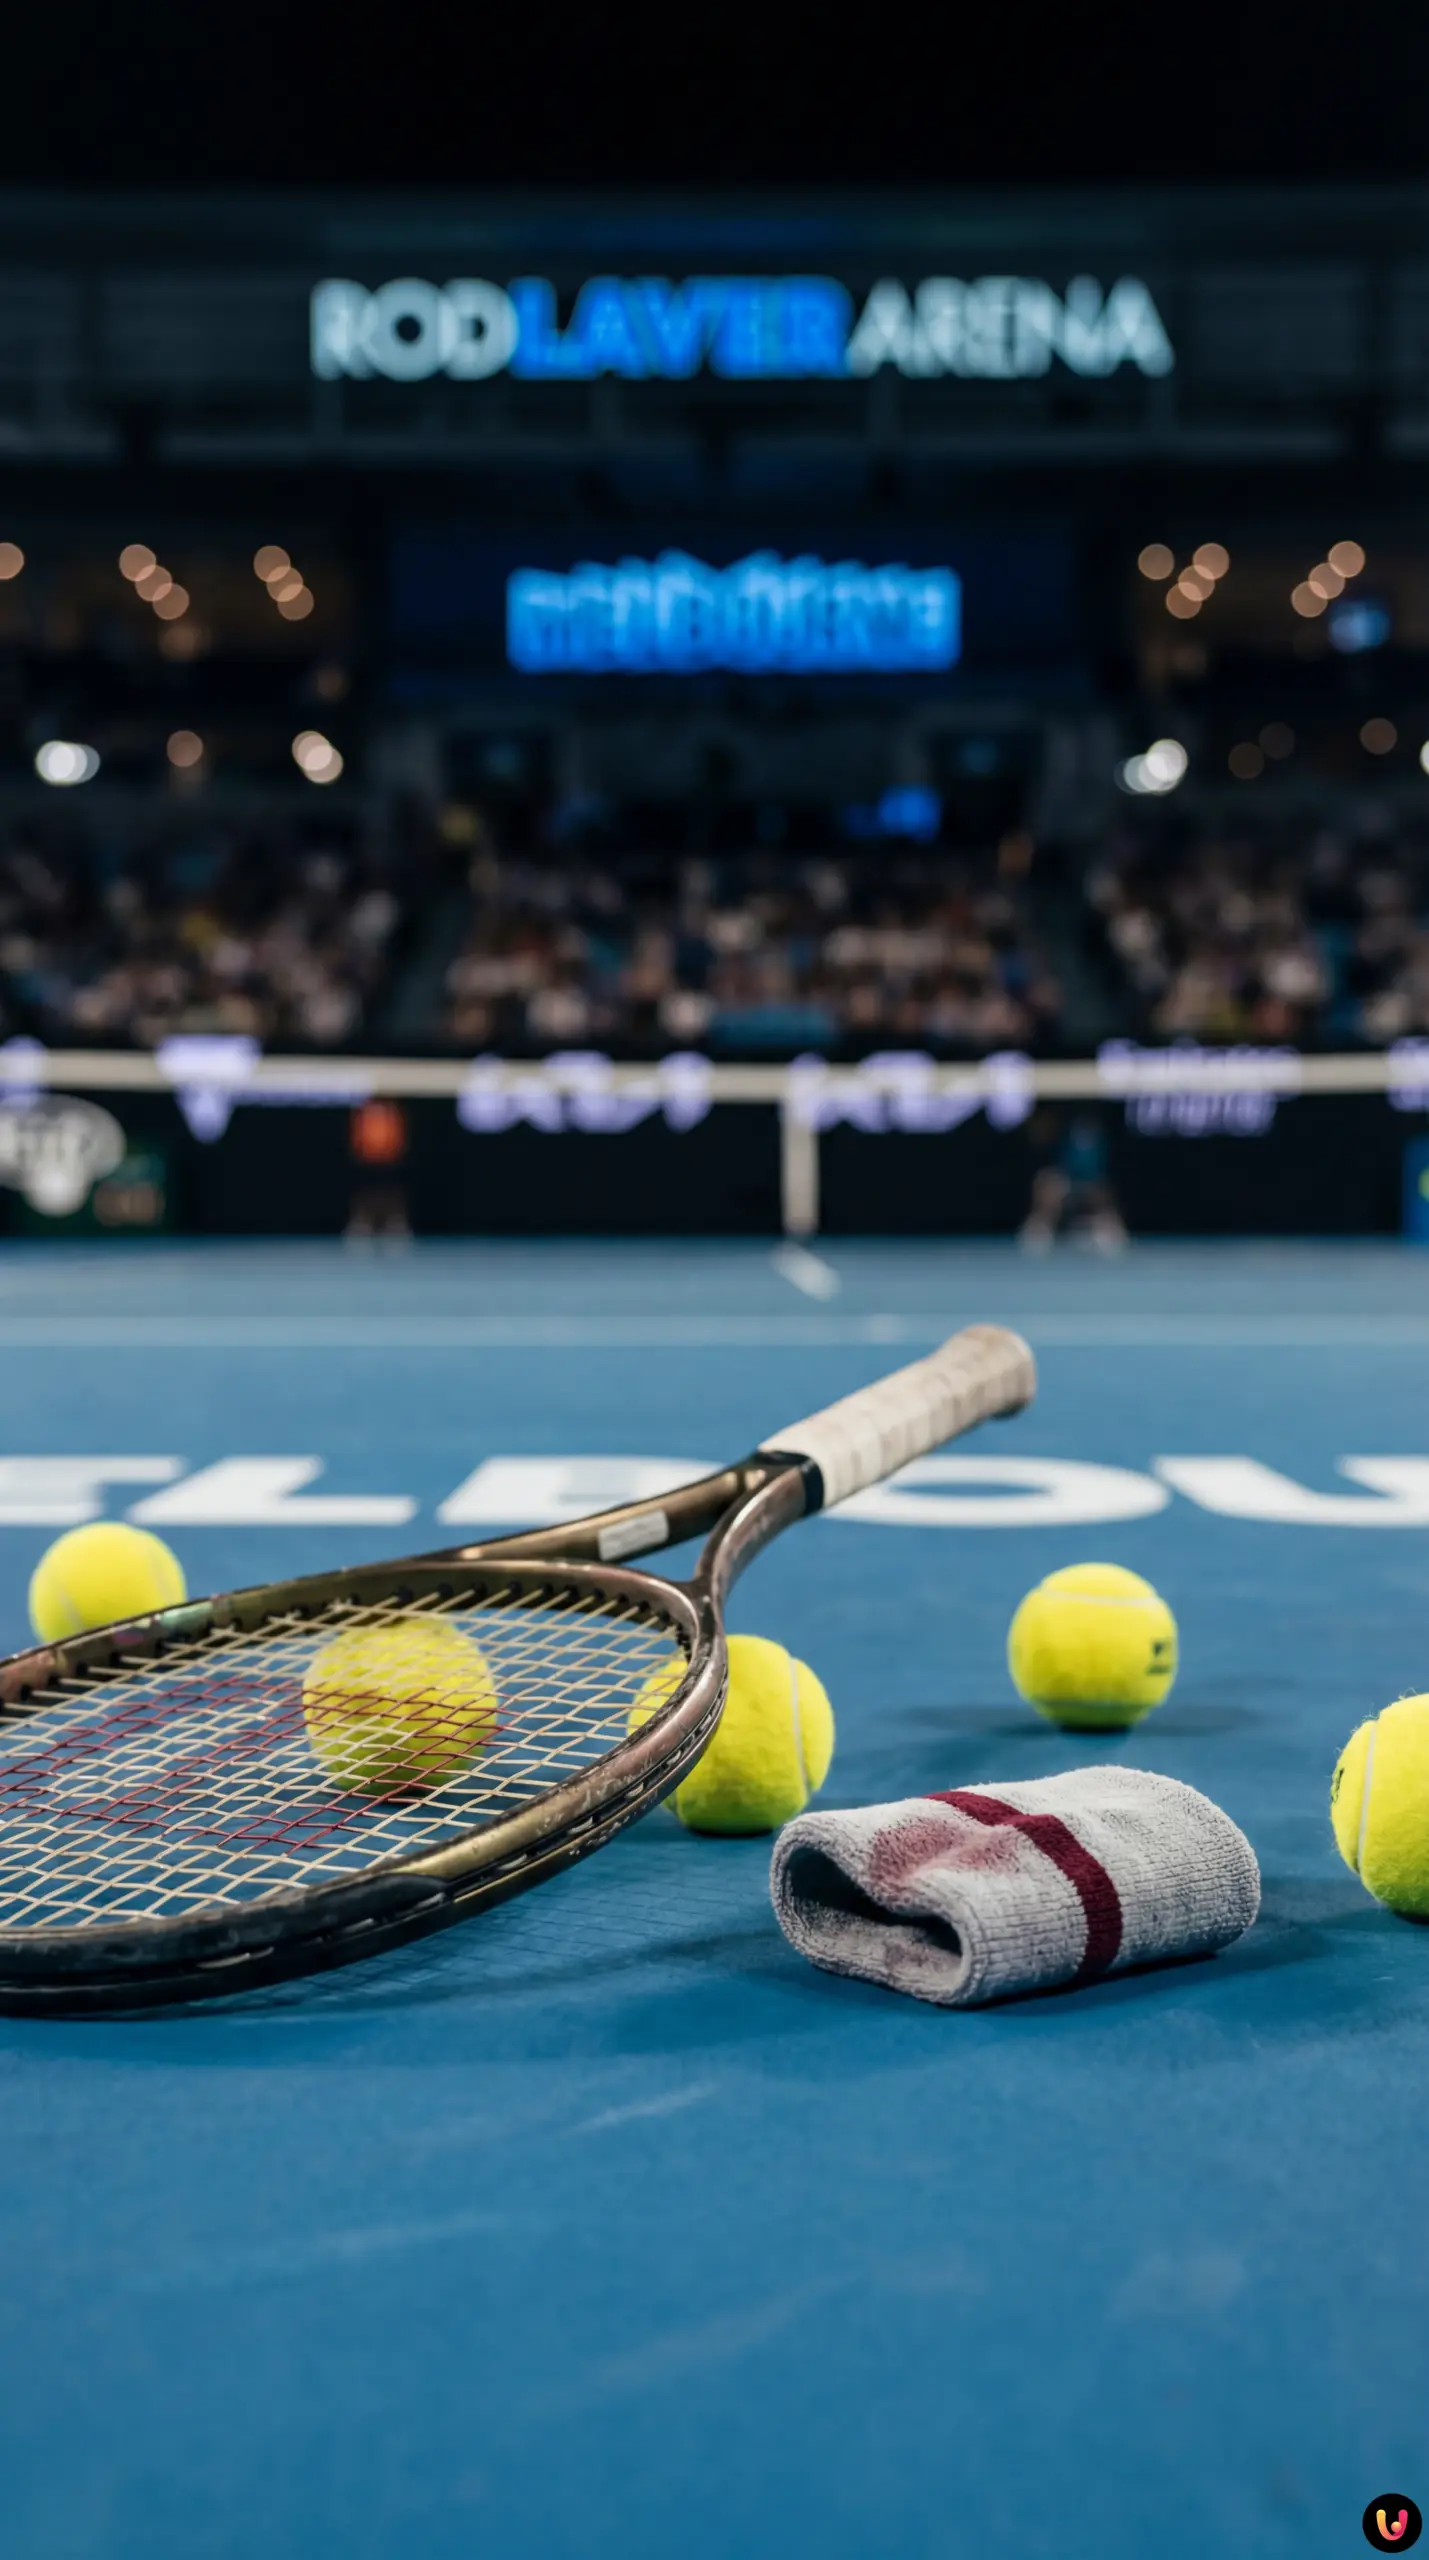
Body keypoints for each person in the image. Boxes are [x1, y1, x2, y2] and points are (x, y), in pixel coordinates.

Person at [1019, 1108, 1126, 1253]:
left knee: (1102, 1193)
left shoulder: (1105, 1133)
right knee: (1047, 1184)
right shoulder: (1060, 1128)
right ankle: (1040, 1229)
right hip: (1064, 1182)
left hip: (1093, 1185)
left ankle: (1108, 1230)